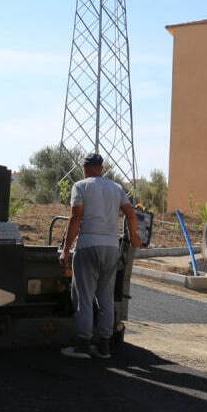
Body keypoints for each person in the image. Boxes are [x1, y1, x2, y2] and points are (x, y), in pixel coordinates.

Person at [59, 153, 142, 359]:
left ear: (85, 168)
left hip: (88, 246)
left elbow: (76, 217)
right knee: (105, 297)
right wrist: (134, 236)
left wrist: (67, 249)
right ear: (101, 168)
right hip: (111, 247)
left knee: (84, 297)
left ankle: (84, 345)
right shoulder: (116, 188)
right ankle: (104, 346)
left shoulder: (80, 186)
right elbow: (131, 213)